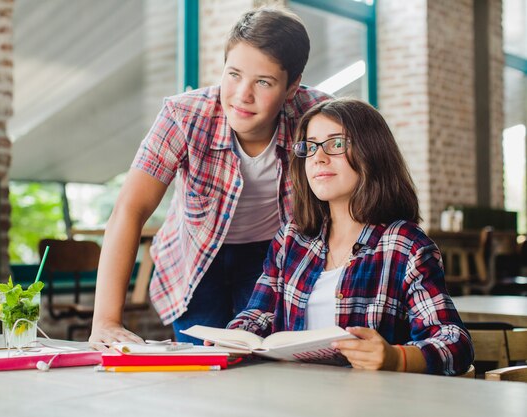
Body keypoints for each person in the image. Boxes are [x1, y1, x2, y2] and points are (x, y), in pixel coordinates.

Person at [89, 6, 331, 347]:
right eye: (234, 74)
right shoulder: (184, 116)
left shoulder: (317, 117)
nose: (242, 95)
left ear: (292, 87)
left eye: (263, 82)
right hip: (194, 261)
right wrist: (106, 321)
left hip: (270, 258)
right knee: (202, 366)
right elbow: (129, 211)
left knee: (261, 361)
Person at [227, 98, 474, 375]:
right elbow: (257, 316)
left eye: (335, 144)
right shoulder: (291, 239)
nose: (318, 157)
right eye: (309, 147)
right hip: (290, 400)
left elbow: (455, 343)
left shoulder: (405, 245)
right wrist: (233, 339)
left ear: (372, 152)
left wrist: (395, 358)